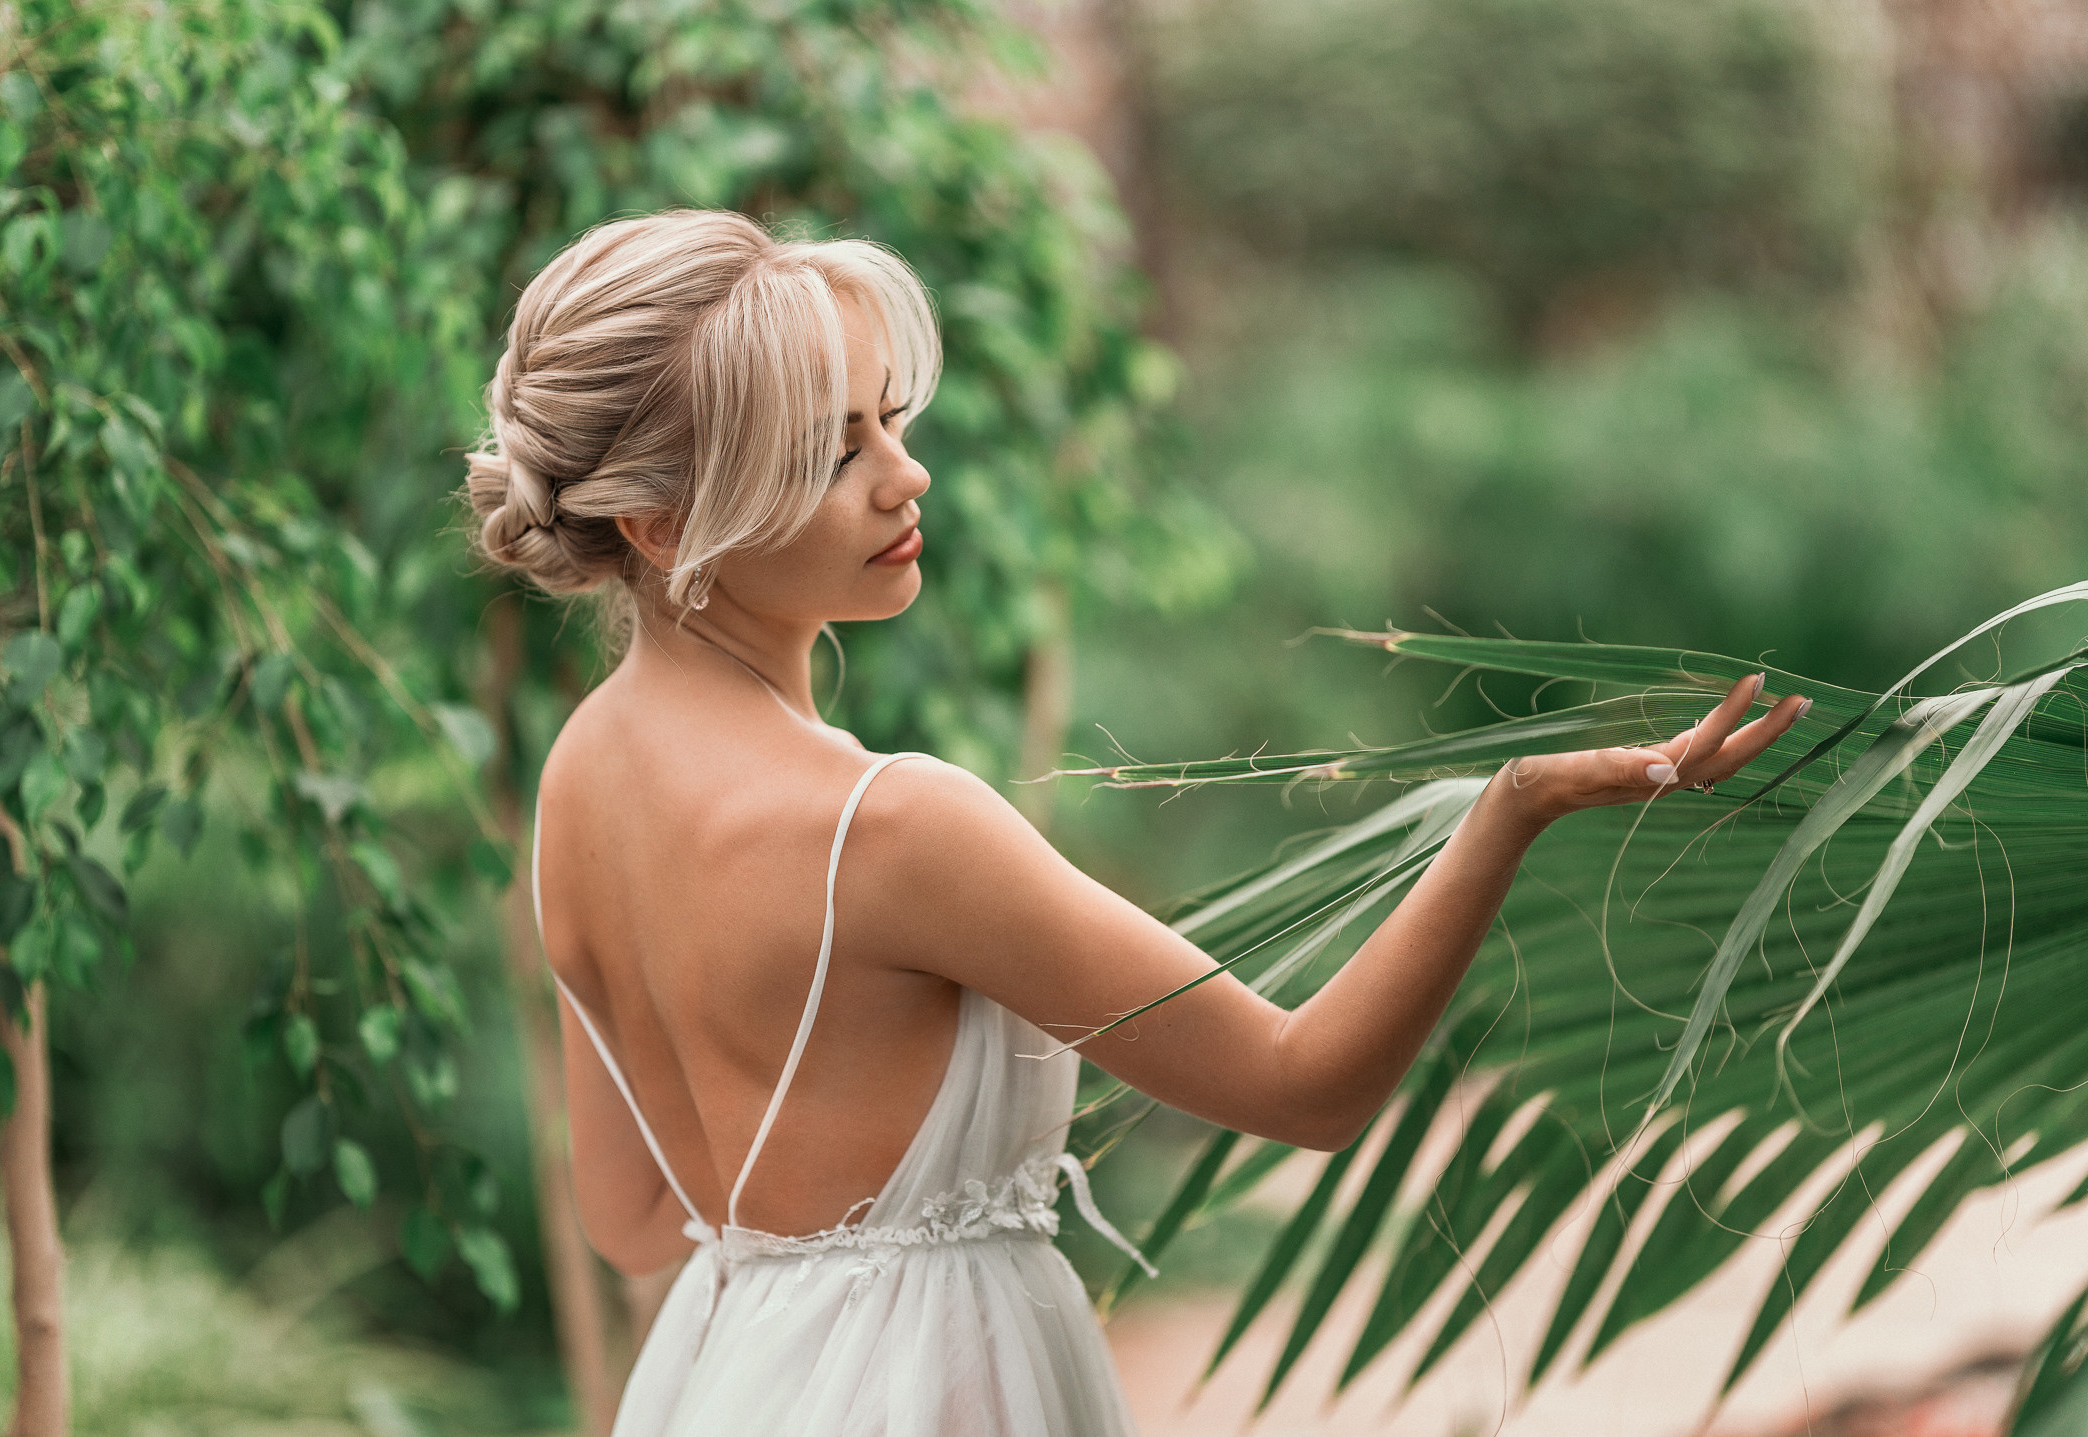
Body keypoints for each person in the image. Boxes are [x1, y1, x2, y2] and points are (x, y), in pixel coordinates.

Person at [462, 209, 1805, 1437]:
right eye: (831, 452)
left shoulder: (578, 781)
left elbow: (631, 1219)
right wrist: (1516, 805)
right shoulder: (890, 827)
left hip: (733, 1388)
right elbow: (1303, 1085)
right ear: (660, 522)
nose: (906, 477)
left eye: (889, 419)